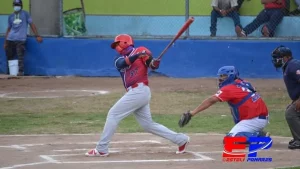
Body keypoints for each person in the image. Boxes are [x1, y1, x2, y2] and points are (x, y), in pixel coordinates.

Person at [85, 34, 190, 157]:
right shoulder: (118, 59)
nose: (116, 48)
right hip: (136, 93)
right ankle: (181, 140)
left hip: (139, 90)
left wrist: (154, 63)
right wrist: (137, 56)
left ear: (124, 42)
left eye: (117, 44)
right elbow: (122, 64)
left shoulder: (141, 50)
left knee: (113, 114)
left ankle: (102, 148)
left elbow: (151, 65)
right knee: (148, 125)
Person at [178, 66, 270, 143]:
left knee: (229, 139)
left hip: (254, 119)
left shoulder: (229, 88)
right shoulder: (243, 82)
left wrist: (192, 113)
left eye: (224, 76)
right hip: (259, 116)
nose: (221, 79)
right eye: (220, 76)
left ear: (231, 76)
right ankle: (251, 132)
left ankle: (260, 137)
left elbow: (211, 100)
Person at [271, 45, 300, 149]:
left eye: (278, 57)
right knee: (292, 110)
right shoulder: (289, 65)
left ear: (286, 57)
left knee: (291, 113)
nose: (276, 60)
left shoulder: (293, 65)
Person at [3, 0, 43, 76]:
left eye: (18, 5)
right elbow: (9, 29)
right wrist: (5, 42)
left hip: (20, 39)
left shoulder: (25, 14)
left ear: (21, 6)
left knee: (20, 56)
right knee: (9, 56)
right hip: (10, 39)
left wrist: (37, 35)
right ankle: (10, 72)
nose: (16, 6)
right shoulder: (11, 16)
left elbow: (31, 24)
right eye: (15, 5)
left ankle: (20, 72)